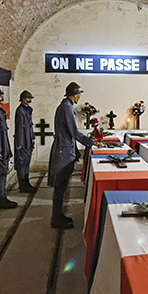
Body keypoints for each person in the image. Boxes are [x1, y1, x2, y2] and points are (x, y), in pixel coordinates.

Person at [49, 82, 94, 229]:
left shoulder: (65, 106)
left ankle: (58, 215)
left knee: (61, 187)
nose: (80, 97)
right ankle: (56, 219)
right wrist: (90, 142)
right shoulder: (67, 108)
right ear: (74, 95)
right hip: (64, 152)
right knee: (60, 186)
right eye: (79, 94)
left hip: (65, 149)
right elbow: (73, 132)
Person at [14, 90, 37, 193]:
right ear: (23, 99)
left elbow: (30, 125)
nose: (29, 100)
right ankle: (22, 185)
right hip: (22, 141)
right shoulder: (20, 111)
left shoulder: (28, 110)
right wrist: (19, 143)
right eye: (28, 98)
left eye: (30, 98)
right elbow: (19, 128)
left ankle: (26, 182)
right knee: (21, 164)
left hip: (28, 140)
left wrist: (32, 137)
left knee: (26, 163)